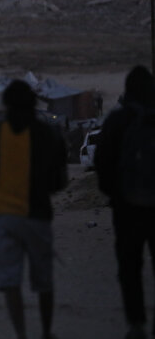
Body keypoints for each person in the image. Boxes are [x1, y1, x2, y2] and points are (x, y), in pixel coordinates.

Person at [0, 80, 67, 339]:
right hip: (38, 216)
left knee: (11, 281)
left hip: (5, 217)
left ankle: (21, 334)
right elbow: (59, 181)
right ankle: (47, 332)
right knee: (44, 280)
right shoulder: (49, 133)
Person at [95, 66, 155, 339]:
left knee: (130, 266)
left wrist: (114, 195)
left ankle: (137, 323)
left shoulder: (117, 120)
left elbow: (102, 162)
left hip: (127, 206)